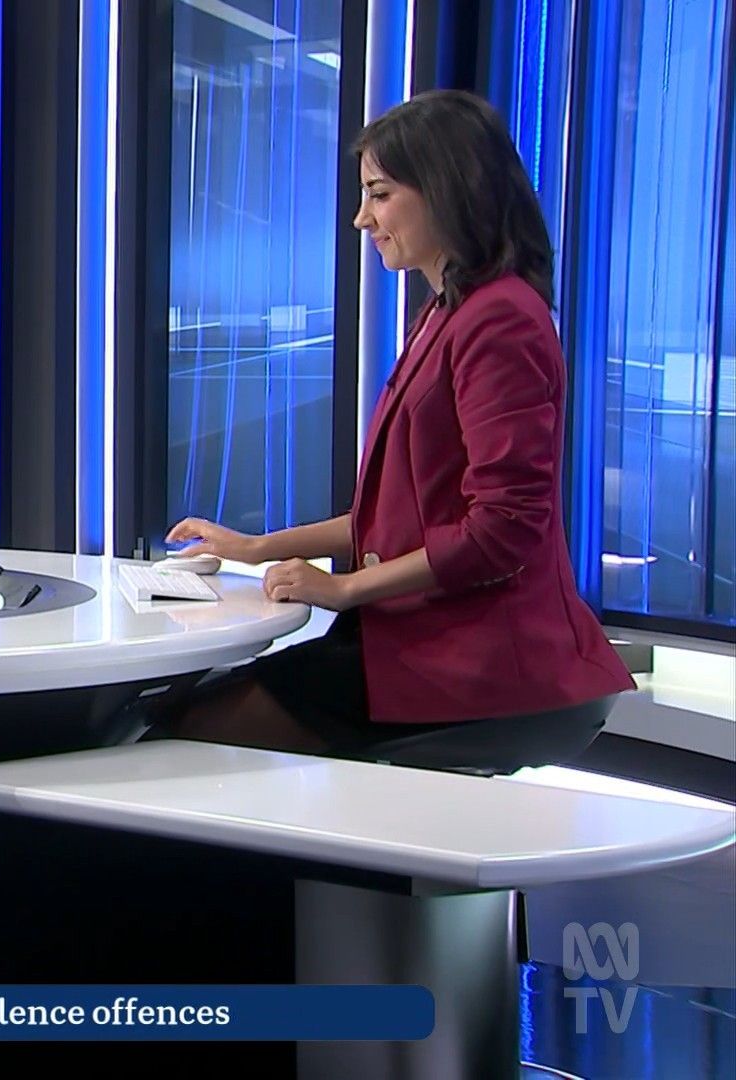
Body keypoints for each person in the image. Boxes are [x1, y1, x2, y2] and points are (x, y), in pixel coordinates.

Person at [138, 90, 633, 757]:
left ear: (448, 190)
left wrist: (344, 588)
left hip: (482, 662)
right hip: (421, 642)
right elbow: (399, 519)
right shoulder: (447, 311)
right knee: (175, 711)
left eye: (379, 194)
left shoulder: (500, 318)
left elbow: (501, 531)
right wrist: (256, 547)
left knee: (186, 735)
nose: (360, 218)